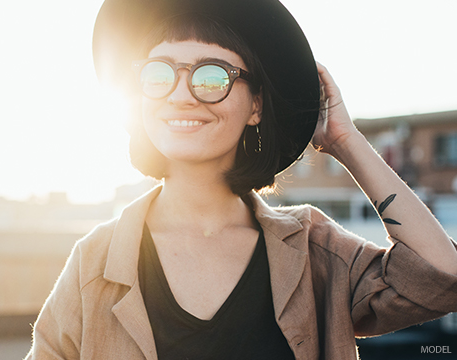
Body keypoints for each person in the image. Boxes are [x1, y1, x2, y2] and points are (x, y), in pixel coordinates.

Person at [25, 0, 457, 359]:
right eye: (159, 74)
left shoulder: (314, 252)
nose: (179, 94)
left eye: (211, 75)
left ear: (256, 107)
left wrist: (345, 141)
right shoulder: (96, 263)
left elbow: (440, 277)